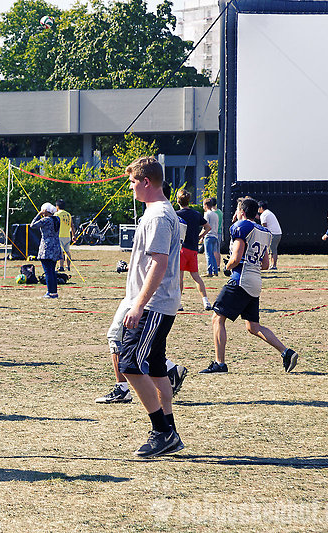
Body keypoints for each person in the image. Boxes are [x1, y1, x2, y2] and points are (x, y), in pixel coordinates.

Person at [114, 156, 183, 458]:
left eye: (132, 182)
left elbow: (159, 263)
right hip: (159, 303)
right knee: (156, 368)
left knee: (129, 364)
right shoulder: (158, 212)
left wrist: (138, 305)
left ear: (145, 182)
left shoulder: (157, 216)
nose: (130, 187)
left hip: (153, 304)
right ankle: (170, 431)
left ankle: (162, 431)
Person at [200, 197, 298, 374]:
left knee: (217, 318)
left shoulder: (242, 226)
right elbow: (265, 264)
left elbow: (236, 257)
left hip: (241, 279)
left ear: (242, 212)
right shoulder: (264, 231)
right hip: (255, 281)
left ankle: (220, 363)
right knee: (253, 326)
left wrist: (228, 266)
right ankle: (286, 352)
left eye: (238, 210)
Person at [95, 302, 187, 404]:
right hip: (143, 303)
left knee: (118, 339)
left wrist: (138, 306)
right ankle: (170, 368)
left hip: (139, 303)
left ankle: (122, 389)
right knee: (148, 349)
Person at [175, 189, 212, 310]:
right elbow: (208, 227)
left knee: (179, 277)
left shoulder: (176, 214)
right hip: (193, 249)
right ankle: (206, 301)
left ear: (178, 201)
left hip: (182, 248)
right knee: (196, 276)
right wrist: (200, 236)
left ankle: (178, 303)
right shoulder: (196, 214)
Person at [30, 203, 63, 299]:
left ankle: (50, 292)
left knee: (48, 271)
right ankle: (54, 292)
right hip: (56, 246)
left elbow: (32, 225)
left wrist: (38, 214)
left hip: (47, 247)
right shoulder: (57, 219)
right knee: (52, 271)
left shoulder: (45, 220)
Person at [257, 200, 282, 270]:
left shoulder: (264, 214)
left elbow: (264, 226)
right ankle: (272, 265)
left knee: (272, 251)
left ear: (261, 207)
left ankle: (273, 266)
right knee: (272, 250)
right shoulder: (268, 212)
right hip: (277, 234)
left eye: (258, 208)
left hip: (273, 234)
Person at [202, 197, 220, 277]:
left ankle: (209, 271)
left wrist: (201, 235)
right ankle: (215, 270)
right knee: (212, 254)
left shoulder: (207, 214)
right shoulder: (215, 214)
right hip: (215, 236)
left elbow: (205, 226)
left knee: (208, 254)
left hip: (208, 236)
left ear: (206, 205)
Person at [54, 199, 73, 271]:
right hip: (67, 236)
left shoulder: (56, 214)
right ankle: (68, 266)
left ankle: (61, 266)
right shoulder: (68, 214)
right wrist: (73, 235)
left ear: (57, 206)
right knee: (67, 252)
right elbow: (72, 225)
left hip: (60, 235)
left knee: (61, 252)